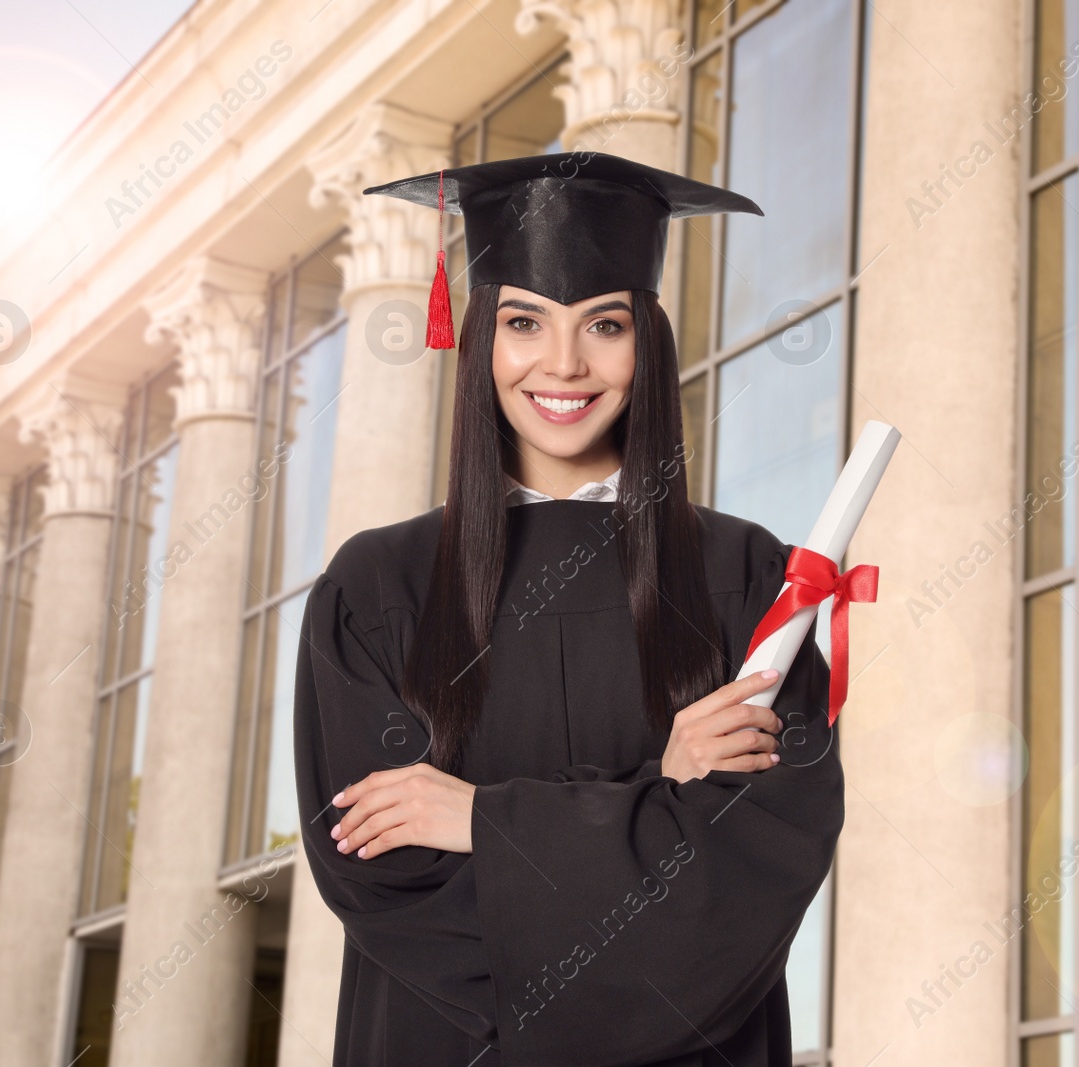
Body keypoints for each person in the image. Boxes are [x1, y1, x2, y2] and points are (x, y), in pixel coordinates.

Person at [293, 152, 845, 1067]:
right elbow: (383, 881)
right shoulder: (378, 585)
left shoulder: (747, 575)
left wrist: (478, 819)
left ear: (650, 340)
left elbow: (754, 877)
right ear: (481, 338)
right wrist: (657, 800)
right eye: (523, 322)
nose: (563, 363)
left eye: (605, 324)